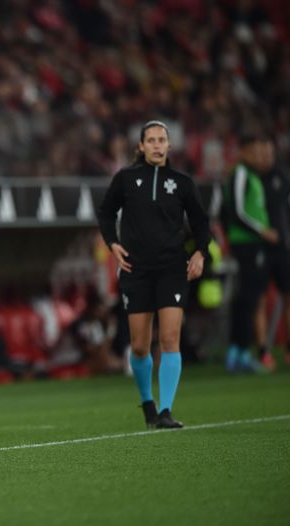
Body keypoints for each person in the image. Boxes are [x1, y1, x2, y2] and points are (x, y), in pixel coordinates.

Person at [97, 120, 210, 429]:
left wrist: (200, 252)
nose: (158, 145)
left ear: (169, 146)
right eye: (152, 140)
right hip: (136, 270)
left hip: (172, 268)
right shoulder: (125, 179)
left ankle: (166, 411)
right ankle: (148, 404)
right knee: (139, 346)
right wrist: (113, 244)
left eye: (163, 140)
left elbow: (202, 223)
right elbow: (105, 213)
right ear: (141, 146)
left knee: (170, 338)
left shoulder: (182, 182)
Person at [222, 135, 280, 372]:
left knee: (250, 297)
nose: (259, 156)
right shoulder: (241, 173)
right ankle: (241, 352)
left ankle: (237, 351)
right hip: (246, 243)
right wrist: (262, 231)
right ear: (244, 152)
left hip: (252, 243)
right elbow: (236, 211)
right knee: (249, 298)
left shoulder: (251, 175)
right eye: (255, 152)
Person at [255, 138, 290, 367]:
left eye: (268, 153)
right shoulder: (251, 178)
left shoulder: (283, 177)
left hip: (282, 247)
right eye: (261, 153)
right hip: (259, 247)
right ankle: (263, 350)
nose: (265, 157)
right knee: (259, 299)